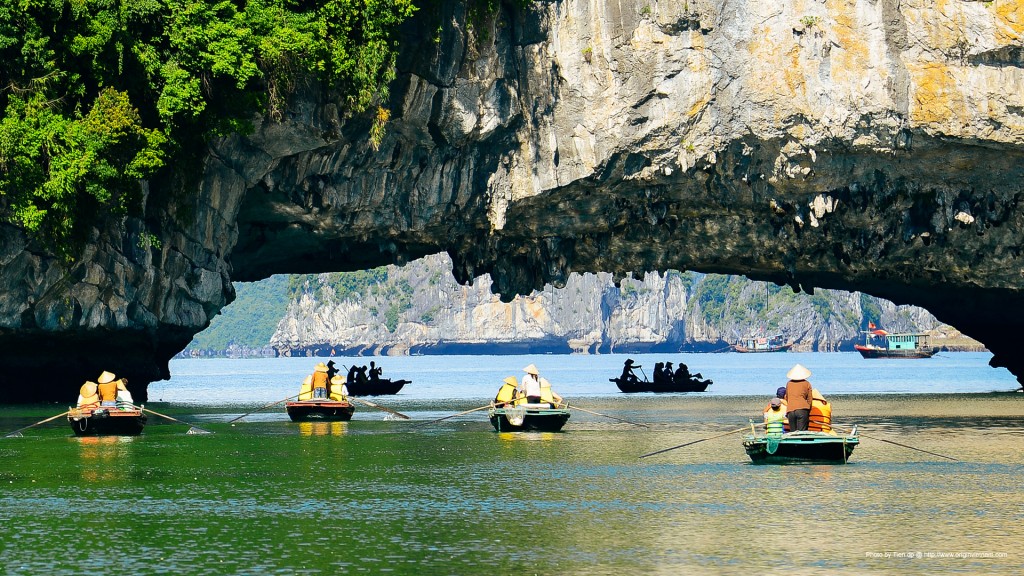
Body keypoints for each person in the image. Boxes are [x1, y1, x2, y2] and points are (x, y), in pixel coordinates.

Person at [784, 364, 814, 432]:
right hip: (802, 409)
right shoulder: (807, 383)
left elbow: (787, 397)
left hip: (790, 410)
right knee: (801, 433)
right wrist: (809, 410)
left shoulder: (789, 383)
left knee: (792, 432)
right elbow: (809, 399)